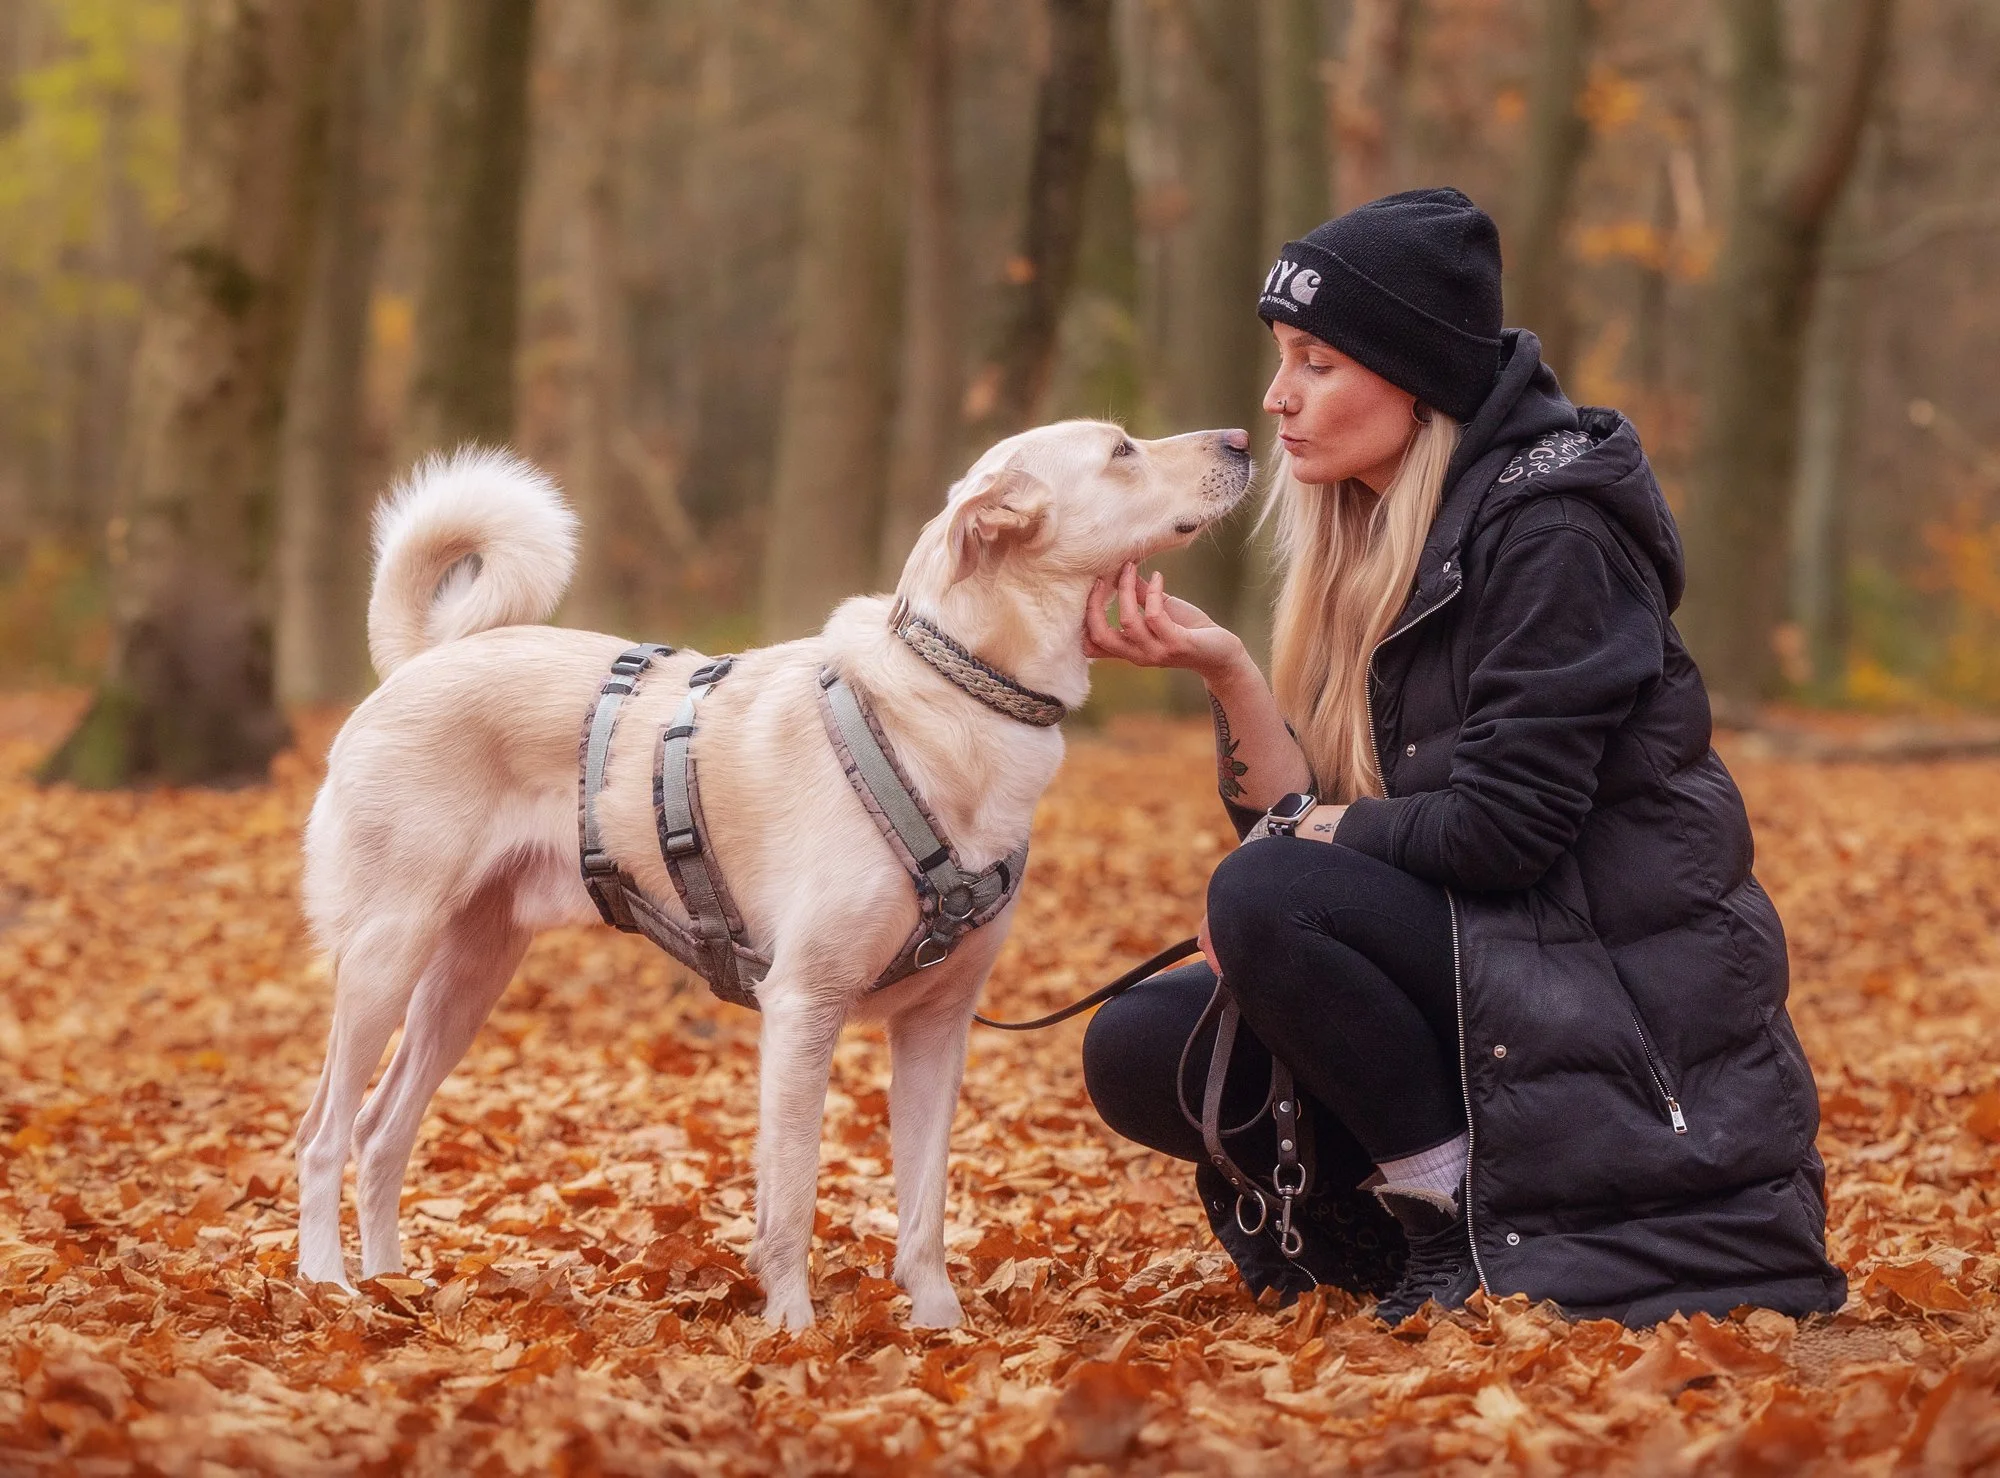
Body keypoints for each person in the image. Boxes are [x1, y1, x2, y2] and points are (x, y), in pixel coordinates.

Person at [1079, 188, 1847, 1327]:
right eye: (1281, 358)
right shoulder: (1379, 539)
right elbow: (1295, 838)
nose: (1274, 395)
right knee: (1137, 1040)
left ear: (1416, 376)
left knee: (1267, 889)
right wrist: (1230, 673)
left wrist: (1306, 851)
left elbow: (1501, 831)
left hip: (1610, 991)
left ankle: (1449, 1214)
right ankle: (1378, 1234)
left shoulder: (1554, 534)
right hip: (1492, 960)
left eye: (1316, 362)